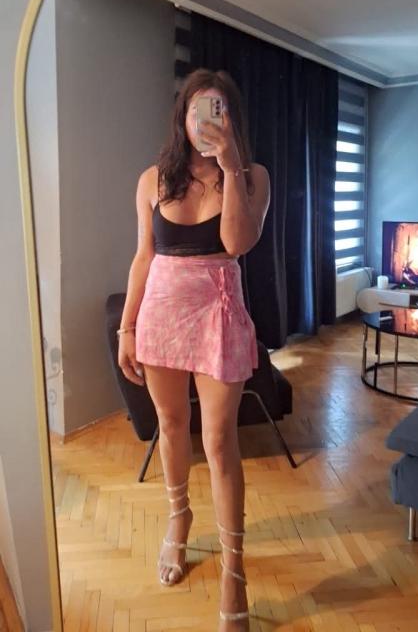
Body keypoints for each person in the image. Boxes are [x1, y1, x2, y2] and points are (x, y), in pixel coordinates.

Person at [117, 68, 270, 631]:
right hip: (160, 313)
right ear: (182, 117)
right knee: (171, 423)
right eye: (197, 109)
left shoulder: (252, 175)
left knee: (220, 441)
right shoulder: (152, 179)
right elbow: (143, 256)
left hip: (218, 315)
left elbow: (236, 243)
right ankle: (178, 520)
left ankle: (234, 569)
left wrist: (229, 167)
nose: (205, 120)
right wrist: (126, 327)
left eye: (218, 109)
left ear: (231, 119)